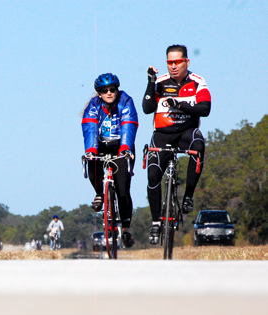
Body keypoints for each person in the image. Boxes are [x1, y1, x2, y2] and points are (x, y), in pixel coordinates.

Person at [143, 44, 211, 244]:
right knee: (153, 173)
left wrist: (179, 104)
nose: (173, 66)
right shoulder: (161, 82)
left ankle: (188, 195)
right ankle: (156, 223)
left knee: (198, 144)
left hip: (186, 132)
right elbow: (147, 108)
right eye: (169, 62)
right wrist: (150, 83)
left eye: (177, 62)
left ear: (186, 62)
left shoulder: (198, 82)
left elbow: (205, 109)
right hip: (162, 134)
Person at [82, 73, 138, 248]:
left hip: (121, 146)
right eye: (104, 90)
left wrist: (125, 149)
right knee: (91, 161)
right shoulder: (93, 105)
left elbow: (129, 125)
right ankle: (100, 193)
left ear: (117, 90)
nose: (109, 93)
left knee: (123, 190)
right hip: (101, 145)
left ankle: (126, 230)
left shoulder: (126, 101)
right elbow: (90, 127)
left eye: (112, 89)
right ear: (98, 93)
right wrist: (91, 150)